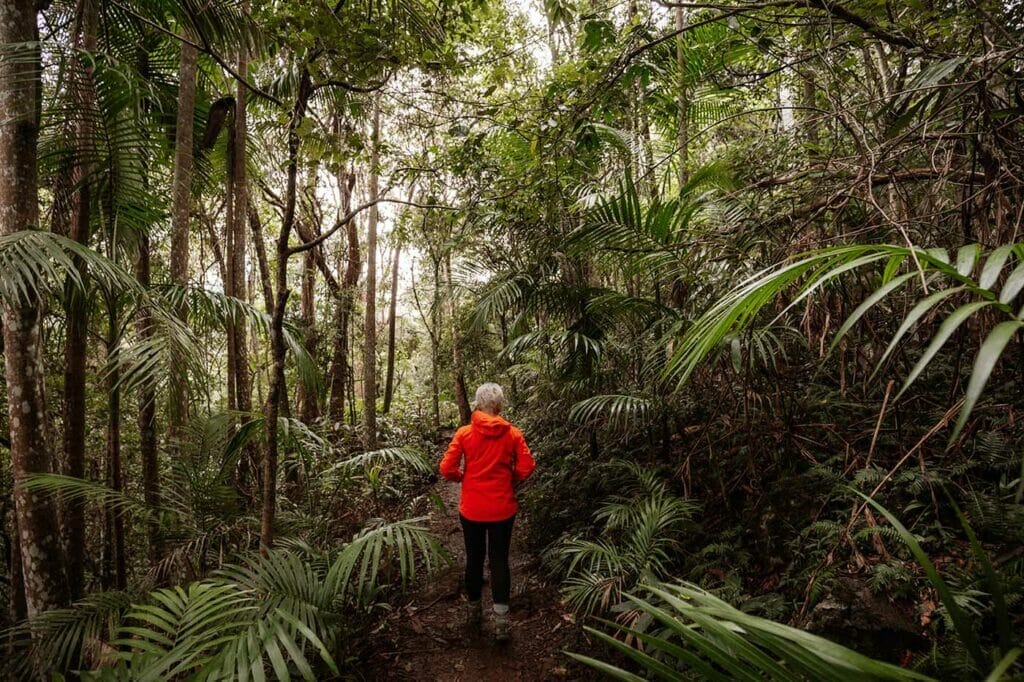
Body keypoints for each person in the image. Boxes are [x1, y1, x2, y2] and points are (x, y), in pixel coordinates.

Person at [439, 382, 535, 641]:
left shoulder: (464, 433)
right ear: (499, 405)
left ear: (478, 404)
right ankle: (502, 622)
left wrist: (463, 478)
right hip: (503, 508)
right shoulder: (513, 434)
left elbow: (446, 468)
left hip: (472, 508)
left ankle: (474, 613)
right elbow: (527, 466)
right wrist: (510, 478)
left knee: (474, 559)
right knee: (500, 560)